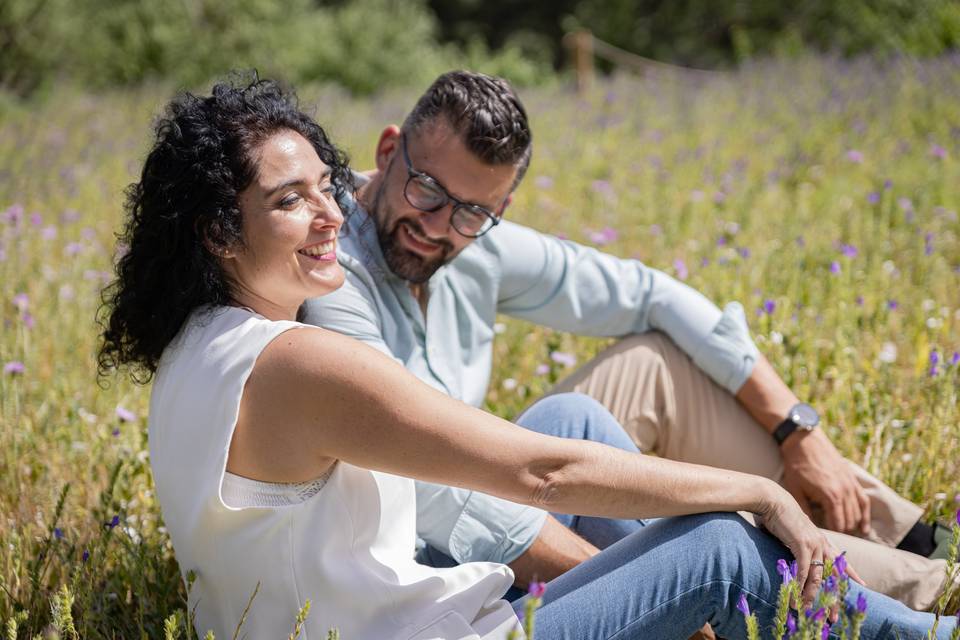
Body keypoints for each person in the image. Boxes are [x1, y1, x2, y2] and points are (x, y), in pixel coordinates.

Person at [97, 77, 954, 640]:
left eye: (327, 184)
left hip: (383, 608)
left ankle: (860, 593)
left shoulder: (198, 344)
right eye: (291, 199)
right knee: (720, 547)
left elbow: (626, 320)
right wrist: (759, 492)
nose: (332, 213)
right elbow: (541, 475)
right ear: (218, 231)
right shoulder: (303, 359)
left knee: (576, 416)